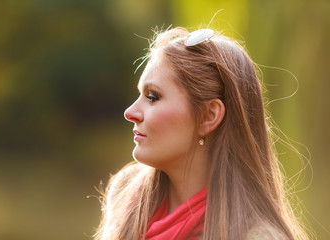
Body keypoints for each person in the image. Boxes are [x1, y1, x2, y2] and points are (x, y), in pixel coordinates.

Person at [95, 27, 308, 240]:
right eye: (140, 95)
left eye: (152, 97)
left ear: (209, 116)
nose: (130, 112)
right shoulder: (126, 196)